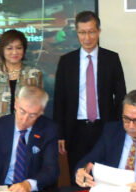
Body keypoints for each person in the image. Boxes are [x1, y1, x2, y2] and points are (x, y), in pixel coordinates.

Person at [53, 10, 126, 182]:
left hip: (105, 128)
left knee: (105, 178)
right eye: (82, 32)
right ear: (77, 33)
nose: (87, 37)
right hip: (75, 130)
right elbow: (59, 100)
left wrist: (116, 128)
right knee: (78, 178)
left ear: (99, 31)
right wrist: (60, 134)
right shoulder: (66, 62)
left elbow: (121, 96)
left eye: (91, 31)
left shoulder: (112, 59)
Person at [0, 85, 59, 192]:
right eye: (22, 111)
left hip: (32, 190)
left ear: (41, 112)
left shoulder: (49, 129)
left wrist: (29, 184)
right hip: (2, 189)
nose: (24, 120)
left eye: (32, 115)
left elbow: (51, 170)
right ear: (16, 104)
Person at [0, 29, 43, 128]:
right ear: (2, 50)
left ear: (24, 49)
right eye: (9, 48)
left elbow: (38, 105)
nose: (14, 52)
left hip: (27, 130)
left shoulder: (34, 73)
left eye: (19, 48)